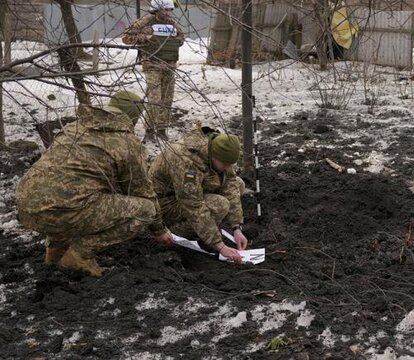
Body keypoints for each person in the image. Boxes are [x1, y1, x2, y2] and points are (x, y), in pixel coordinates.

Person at [16, 91, 174, 277]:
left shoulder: (75, 127)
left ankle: (55, 255)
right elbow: (142, 192)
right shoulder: (127, 143)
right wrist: (159, 230)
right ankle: (79, 255)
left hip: (26, 206)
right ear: (135, 118)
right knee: (145, 210)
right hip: (64, 211)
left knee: (68, 196)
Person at [148, 127, 247, 263]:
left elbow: (229, 184)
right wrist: (220, 245)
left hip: (184, 193)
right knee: (220, 204)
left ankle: (208, 227)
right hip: (164, 204)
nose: (228, 168)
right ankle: (175, 233)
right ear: (214, 156)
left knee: (238, 184)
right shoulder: (187, 162)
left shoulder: (216, 150)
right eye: (225, 164)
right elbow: (193, 204)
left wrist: (236, 227)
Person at [122, 0, 184, 142]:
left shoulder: (172, 24)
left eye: (170, 10)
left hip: (169, 65)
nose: (169, 13)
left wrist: (173, 42)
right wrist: (144, 38)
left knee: (167, 99)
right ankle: (149, 131)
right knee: (155, 98)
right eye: (166, 10)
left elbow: (181, 38)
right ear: (157, 8)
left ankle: (161, 130)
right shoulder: (145, 22)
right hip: (152, 65)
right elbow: (126, 38)